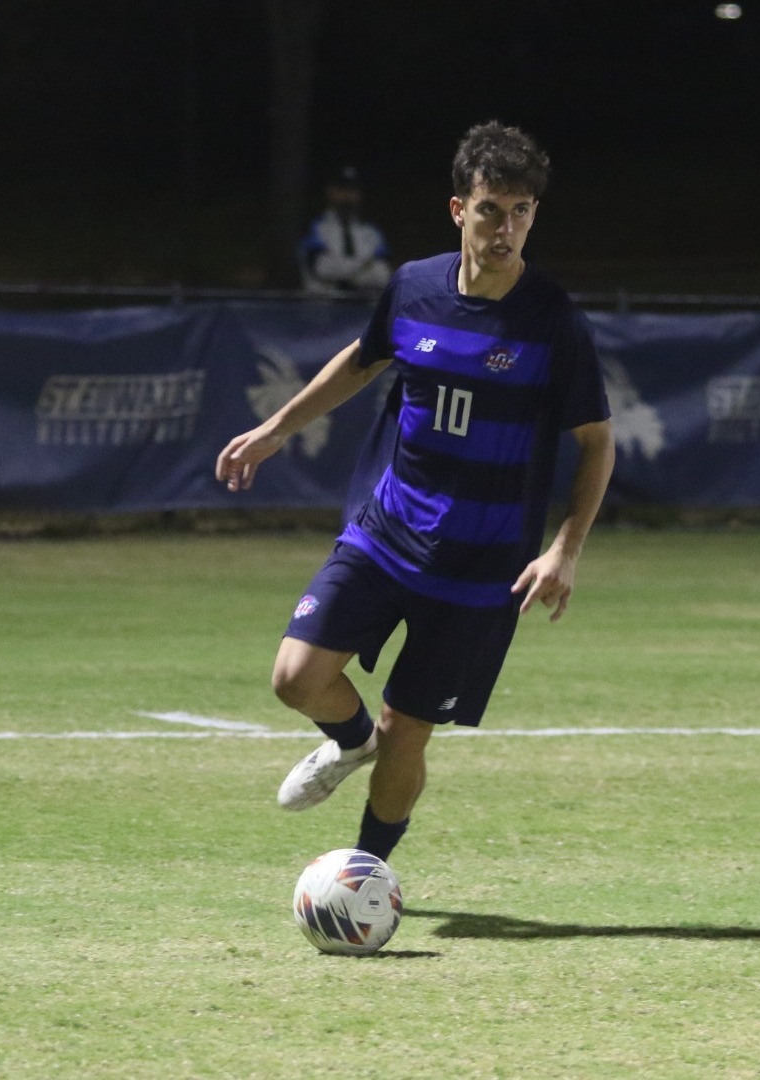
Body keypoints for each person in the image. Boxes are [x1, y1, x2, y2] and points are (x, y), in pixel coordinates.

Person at [216, 121, 615, 865]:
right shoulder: (414, 287)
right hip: (389, 530)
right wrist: (275, 429)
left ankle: (365, 872)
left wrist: (565, 549)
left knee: (411, 730)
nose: (508, 228)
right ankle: (351, 742)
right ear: (458, 209)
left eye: (523, 211)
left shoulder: (555, 323)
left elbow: (596, 442)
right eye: (492, 209)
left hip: (481, 566)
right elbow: (363, 360)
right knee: (296, 678)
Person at [298, 165, 393, 295]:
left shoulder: (372, 233)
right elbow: (322, 269)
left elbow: (383, 275)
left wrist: (339, 275)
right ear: (330, 191)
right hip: (323, 310)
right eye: (341, 189)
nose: (347, 196)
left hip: (365, 312)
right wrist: (366, 264)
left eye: (353, 190)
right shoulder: (315, 228)